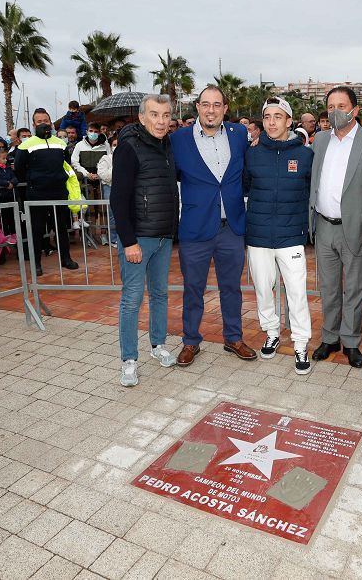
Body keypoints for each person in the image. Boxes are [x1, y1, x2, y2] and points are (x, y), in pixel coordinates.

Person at [171, 85, 255, 366]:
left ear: (225, 108)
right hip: (195, 228)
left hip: (231, 226)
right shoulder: (178, 139)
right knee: (193, 288)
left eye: (217, 104)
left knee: (232, 287)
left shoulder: (239, 134)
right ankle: (191, 341)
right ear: (197, 107)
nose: (211, 110)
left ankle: (233, 337)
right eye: (205, 104)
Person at [309, 86, 362, 368]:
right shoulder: (319, 140)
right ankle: (329, 338)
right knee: (329, 288)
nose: (335, 112)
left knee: (354, 289)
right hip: (324, 226)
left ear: (355, 110)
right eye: (330, 106)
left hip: (357, 229)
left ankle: (351, 342)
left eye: (341, 106)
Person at [110, 94, 179, 387]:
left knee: (161, 294)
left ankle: (158, 344)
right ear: (142, 117)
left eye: (165, 115)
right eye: (154, 115)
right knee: (132, 300)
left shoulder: (168, 146)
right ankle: (128, 359)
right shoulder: (129, 148)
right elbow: (118, 199)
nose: (161, 121)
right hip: (138, 239)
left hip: (164, 237)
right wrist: (128, 241)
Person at [244, 97, 314, 375]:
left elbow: (309, 192)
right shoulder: (252, 153)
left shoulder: (306, 155)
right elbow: (245, 188)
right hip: (258, 235)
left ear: (289, 121)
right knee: (263, 289)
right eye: (267, 117)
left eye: (278, 116)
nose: (272, 122)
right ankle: (271, 332)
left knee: (297, 293)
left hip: (290, 236)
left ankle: (300, 343)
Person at [16, 108, 80, 275]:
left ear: (50, 123)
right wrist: (33, 180)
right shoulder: (26, 144)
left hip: (59, 191)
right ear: (33, 124)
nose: (43, 124)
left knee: (61, 227)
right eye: (39, 121)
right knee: (37, 229)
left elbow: (66, 164)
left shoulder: (60, 143)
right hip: (36, 193)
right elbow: (19, 168)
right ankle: (36, 263)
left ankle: (66, 259)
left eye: (46, 121)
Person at [97, 132, 118, 247]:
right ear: (110, 146)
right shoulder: (105, 158)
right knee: (112, 214)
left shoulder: (128, 158)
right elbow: (103, 175)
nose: (116, 147)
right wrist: (116, 168)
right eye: (114, 144)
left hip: (124, 189)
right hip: (109, 188)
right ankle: (113, 238)